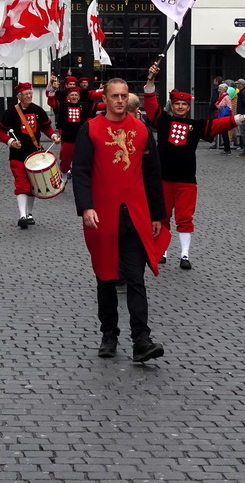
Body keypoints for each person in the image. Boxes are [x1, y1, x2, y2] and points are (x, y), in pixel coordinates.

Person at [72, 77, 169, 362]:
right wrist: (86, 207)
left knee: (135, 279)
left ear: (129, 98)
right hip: (102, 215)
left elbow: (153, 175)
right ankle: (109, 335)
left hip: (135, 215)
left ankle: (142, 339)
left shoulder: (141, 130)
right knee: (106, 277)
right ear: (105, 97)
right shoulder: (90, 129)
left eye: (124, 96)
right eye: (114, 95)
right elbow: (80, 171)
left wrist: (157, 215)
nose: (119, 101)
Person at [144, 62, 245, 269]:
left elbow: (217, 125)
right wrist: (151, 79)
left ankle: (185, 255)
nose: (180, 107)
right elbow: (150, 104)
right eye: (177, 104)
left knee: (185, 218)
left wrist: (241, 118)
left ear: (188, 107)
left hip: (186, 179)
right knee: (161, 215)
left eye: (184, 104)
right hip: (163, 177)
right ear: (173, 105)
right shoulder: (163, 121)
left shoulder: (196, 126)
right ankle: (163, 251)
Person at [0, 82, 60, 229]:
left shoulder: (38, 110)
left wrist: (54, 136)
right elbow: (0, 132)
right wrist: (11, 142)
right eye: (26, 94)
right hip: (17, 155)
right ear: (19, 96)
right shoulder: (11, 113)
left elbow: (46, 127)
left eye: (30, 93)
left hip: (35, 154)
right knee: (22, 184)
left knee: (34, 185)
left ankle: (29, 214)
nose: (30, 96)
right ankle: (22, 215)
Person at [52, 82, 98, 178]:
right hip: (67, 137)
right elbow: (51, 102)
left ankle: (78, 174)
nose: (74, 97)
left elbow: (99, 107)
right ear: (68, 96)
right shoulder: (63, 105)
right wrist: (51, 89)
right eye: (72, 95)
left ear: (79, 97)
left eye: (76, 95)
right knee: (65, 158)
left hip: (80, 137)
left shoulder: (84, 106)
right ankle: (64, 172)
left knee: (81, 158)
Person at [214, 83, 233, 153]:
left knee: (224, 133)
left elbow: (230, 107)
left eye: (220, 89)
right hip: (221, 115)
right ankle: (226, 148)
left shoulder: (226, 97)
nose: (219, 90)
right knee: (223, 133)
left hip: (224, 117)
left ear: (224, 90)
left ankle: (227, 149)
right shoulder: (222, 96)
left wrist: (221, 107)